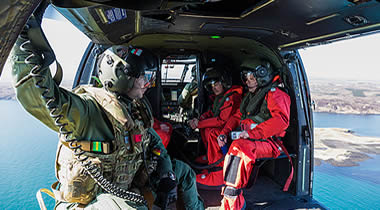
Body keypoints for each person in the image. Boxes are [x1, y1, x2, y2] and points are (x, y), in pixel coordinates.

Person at [10, 16, 204, 210]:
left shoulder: (136, 108)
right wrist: (22, 32)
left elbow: (154, 142)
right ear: (122, 75)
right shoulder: (89, 109)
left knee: (184, 172)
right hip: (87, 202)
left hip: (124, 187)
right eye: (145, 77)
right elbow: (35, 94)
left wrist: (166, 172)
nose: (148, 84)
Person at [220, 59, 291, 210]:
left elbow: (281, 121)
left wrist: (251, 133)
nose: (248, 82)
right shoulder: (252, 96)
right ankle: (229, 190)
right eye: (246, 78)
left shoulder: (275, 94)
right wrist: (224, 133)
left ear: (262, 77)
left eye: (252, 78)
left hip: (270, 143)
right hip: (252, 138)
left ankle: (233, 202)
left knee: (239, 148)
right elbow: (237, 116)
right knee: (232, 144)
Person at [188, 67, 242, 188]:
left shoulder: (232, 97)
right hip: (225, 128)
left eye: (216, 84)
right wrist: (200, 119)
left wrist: (199, 123)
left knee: (213, 133)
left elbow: (222, 120)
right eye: (211, 85)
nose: (214, 88)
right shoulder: (220, 98)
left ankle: (218, 170)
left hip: (232, 129)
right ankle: (211, 159)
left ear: (224, 82)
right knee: (206, 129)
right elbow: (212, 113)